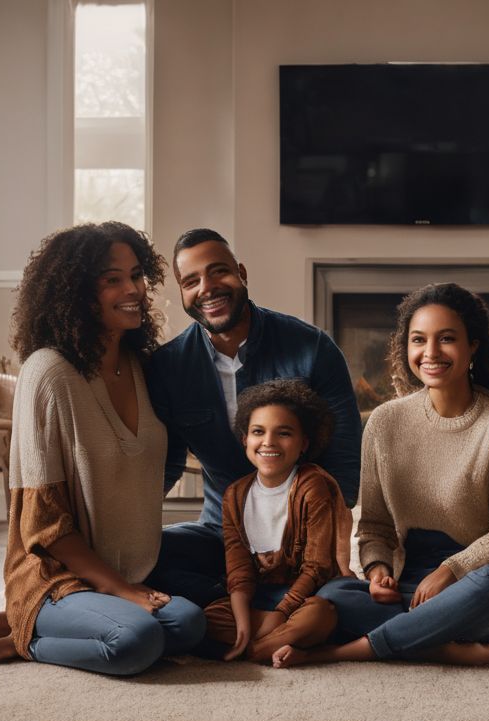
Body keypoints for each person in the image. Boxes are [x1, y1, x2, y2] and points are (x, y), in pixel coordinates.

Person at [0, 221, 206, 675]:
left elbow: (151, 470)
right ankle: (28, 635)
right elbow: (43, 525)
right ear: (77, 294)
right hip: (58, 579)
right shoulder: (48, 374)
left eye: (137, 274)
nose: (135, 289)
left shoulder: (142, 367)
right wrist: (121, 590)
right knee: (137, 641)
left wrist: (129, 581)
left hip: (132, 573)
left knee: (189, 624)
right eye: (112, 280)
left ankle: (13, 624)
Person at [271, 283, 489, 668]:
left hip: (474, 580)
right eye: (419, 340)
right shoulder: (384, 422)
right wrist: (379, 571)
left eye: (446, 339)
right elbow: (375, 526)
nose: (430, 353)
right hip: (412, 585)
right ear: (406, 347)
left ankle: (349, 650)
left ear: (473, 346)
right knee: (334, 594)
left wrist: (451, 571)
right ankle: (439, 644)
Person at [144, 229, 362, 609]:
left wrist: (325, 546)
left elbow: (344, 466)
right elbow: (165, 464)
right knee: (142, 558)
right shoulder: (168, 367)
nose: (207, 288)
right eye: (191, 281)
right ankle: (248, 601)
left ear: (241, 273)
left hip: (303, 538)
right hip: (222, 534)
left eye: (218, 272)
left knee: (346, 603)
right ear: (181, 293)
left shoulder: (312, 348)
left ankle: (239, 605)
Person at [203, 379, 347, 664]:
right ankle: (278, 643)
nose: (268, 442)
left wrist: (281, 615)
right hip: (261, 597)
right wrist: (245, 625)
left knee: (322, 614)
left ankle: (256, 650)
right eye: (258, 432)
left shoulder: (312, 485)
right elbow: (239, 570)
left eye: (283, 433)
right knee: (207, 616)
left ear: (303, 443)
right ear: (245, 439)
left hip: (306, 596)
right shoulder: (234, 494)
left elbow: (317, 568)